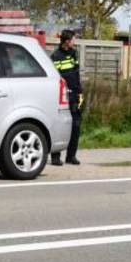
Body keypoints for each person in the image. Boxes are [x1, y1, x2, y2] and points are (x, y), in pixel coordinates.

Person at [49, 29, 82, 166]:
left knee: (76, 123)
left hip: (75, 92)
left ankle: (71, 155)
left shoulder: (74, 53)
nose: (75, 42)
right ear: (67, 41)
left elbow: (76, 73)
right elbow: (57, 77)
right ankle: (55, 157)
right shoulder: (55, 56)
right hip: (61, 94)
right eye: (73, 39)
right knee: (59, 123)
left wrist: (80, 91)